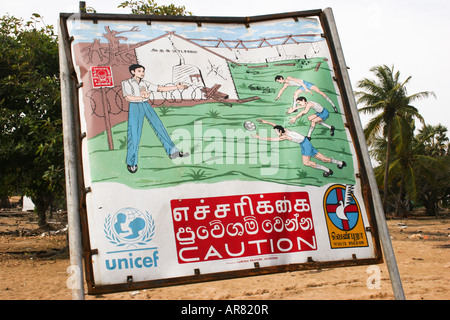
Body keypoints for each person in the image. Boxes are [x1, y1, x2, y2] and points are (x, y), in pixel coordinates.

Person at [122, 64, 189, 174]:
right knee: (134, 133)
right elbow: (128, 97)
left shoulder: (144, 83)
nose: (142, 73)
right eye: (139, 71)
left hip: (145, 104)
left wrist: (177, 87)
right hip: (135, 106)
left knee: (159, 126)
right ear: (133, 72)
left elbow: (160, 88)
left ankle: (173, 152)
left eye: (143, 71)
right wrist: (141, 97)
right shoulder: (126, 83)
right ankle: (132, 162)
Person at [253, 119, 346, 177]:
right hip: (306, 142)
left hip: (305, 145)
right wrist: (267, 122)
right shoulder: (286, 130)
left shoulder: (285, 136)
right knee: (323, 159)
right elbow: (275, 125)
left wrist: (259, 137)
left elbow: (271, 139)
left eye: (276, 132)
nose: (276, 133)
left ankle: (328, 170)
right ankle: (340, 163)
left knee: (306, 163)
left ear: (280, 131)